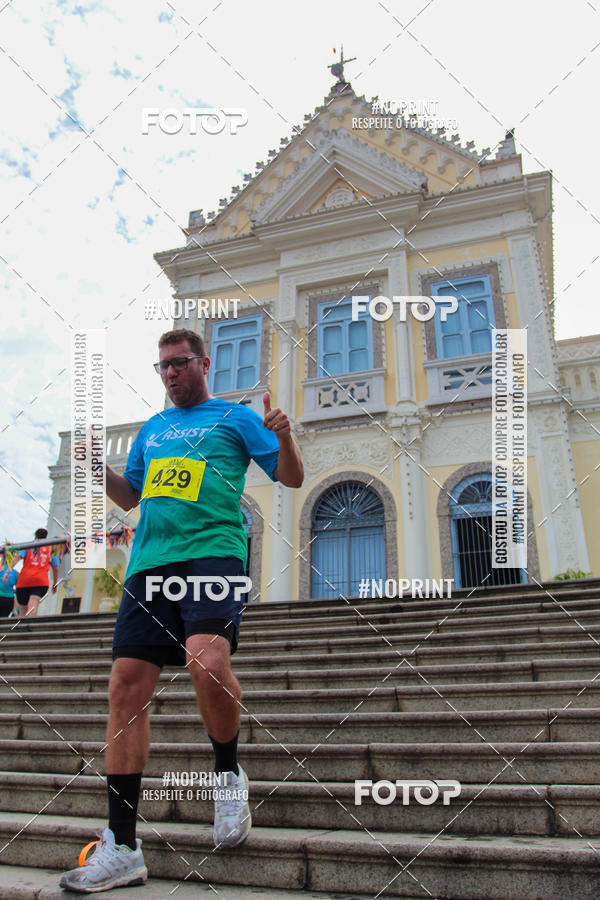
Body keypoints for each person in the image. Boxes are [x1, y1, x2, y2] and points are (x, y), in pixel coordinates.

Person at [60, 328, 304, 893]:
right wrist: (98, 467)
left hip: (214, 553)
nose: (170, 373)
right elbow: (131, 496)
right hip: (150, 563)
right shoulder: (153, 429)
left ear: (202, 363)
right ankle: (122, 846)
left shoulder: (236, 417)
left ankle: (226, 773)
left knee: (206, 661)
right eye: (162, 366)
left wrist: (285, 437)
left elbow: (289, 477)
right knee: (125, 686)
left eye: (179, 363)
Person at [9, 528, 59, 618]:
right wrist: (55, 584)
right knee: (33, 605)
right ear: (46, 537)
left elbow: (17, 557)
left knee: (23, 610)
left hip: (24, 581)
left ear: (35, 536)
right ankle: (29, 628)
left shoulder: (29, 546)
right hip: (40, 581)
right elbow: (55, 568)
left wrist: (8, 571)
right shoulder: (50, 549)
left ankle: (20, 629)